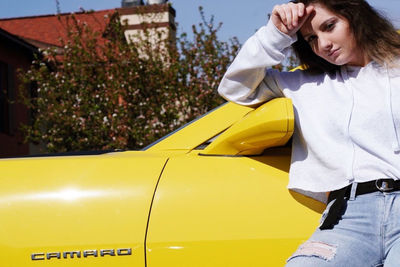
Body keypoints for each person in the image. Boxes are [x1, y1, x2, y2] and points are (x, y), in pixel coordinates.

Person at [217, 0, 400, 266]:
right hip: (348, 216)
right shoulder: (306, 85)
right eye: (312, 38)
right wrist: (275, 34)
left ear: (355, 17)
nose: (323, 44)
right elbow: (235, 87)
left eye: (329, 26)